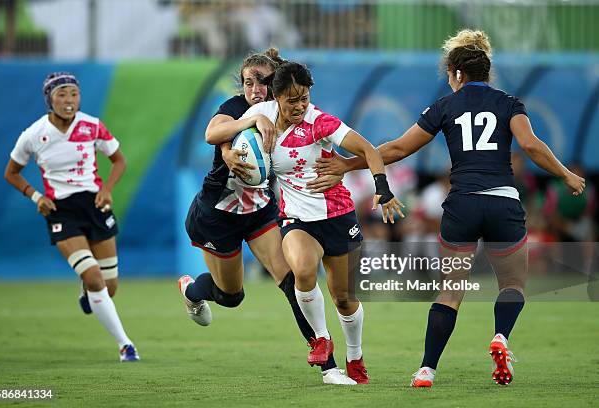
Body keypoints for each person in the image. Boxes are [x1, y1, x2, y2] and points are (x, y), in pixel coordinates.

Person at [311, 29, 586, 387]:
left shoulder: (445, 105)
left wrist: (347, 165)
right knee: (513, 284)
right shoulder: (509, 103)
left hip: (462, 206)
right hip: (503, 202)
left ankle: (426, 369)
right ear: (487, 73)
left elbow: (395, 149)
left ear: (457, 74)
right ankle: (501, 337)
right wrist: (565, 175)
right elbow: (531, 146)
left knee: (450, 291)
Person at [177, 49, 352, 385]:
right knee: (232, 296)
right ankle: (192, 291)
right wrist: (248, 124)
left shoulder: (288, 110)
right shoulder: (235, 108)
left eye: (263, 81)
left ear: (277, 84)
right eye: (248, 81)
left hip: (260, 211)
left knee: (291, 280)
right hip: (218, 215)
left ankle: (328, 365)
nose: (255, 88)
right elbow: (213, 135)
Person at [240, 61, 404, 384]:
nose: (300, 105)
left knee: (343, 297)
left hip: (337, 216)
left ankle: (355, 357)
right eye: (292, 99)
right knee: (301, 270)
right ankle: (320, 338)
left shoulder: (320, 122)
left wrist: (382, 189)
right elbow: (218, 133)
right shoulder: (260, 117)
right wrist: (231, 153)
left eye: (305, 97)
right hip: (296, 218)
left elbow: (369, 150)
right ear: (276, 96)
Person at [4, 72, 139, 362]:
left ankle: (88, 290)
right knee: (94, 277)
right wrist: (35, 196)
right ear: (49, 99)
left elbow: (119, 161)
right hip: (60, 211)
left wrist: (107, 189)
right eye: (61, 94)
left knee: (109, 286)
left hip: (95, 206)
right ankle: (125, 345)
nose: (68, 101)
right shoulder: (33, 134)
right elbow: (11, 173)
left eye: (73, 94)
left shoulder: (92, 126)